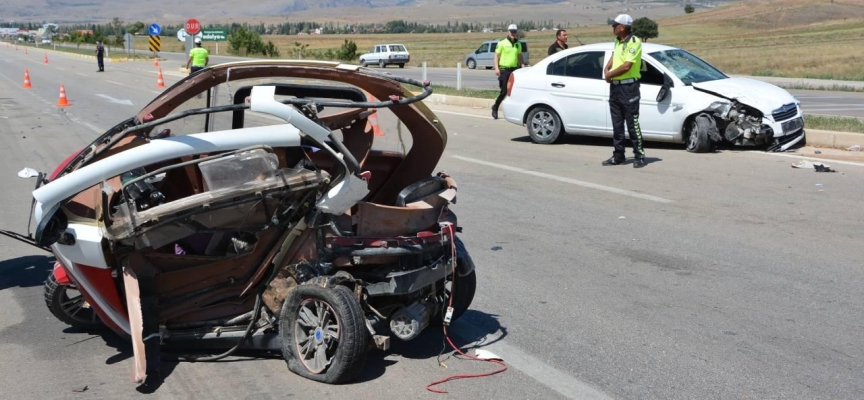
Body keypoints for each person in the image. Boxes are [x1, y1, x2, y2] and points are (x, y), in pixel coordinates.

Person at [602, 14, 646, 168]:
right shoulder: (618, 41)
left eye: (615, 25)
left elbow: (627, 66)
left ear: (622, 27)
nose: (613, 27)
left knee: (632, 123)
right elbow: (615, 56)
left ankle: (639, 155)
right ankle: (618, 155)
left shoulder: (634, 42)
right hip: (616, 87)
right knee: (617, 123)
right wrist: (607, 67)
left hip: (629, 88)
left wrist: (610, 75)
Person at [491, 24, 526, 120]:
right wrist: (497, 68)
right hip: (504, 70)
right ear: (508, 32)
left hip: (514, 69)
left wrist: (523, 66)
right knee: (504, 91)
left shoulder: (518, 44)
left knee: (515, 91)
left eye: (514, 31)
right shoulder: (502, 43)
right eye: (511, 31)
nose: (513, 33)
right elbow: (496, 56)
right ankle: (495, 107)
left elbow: (520, 56)